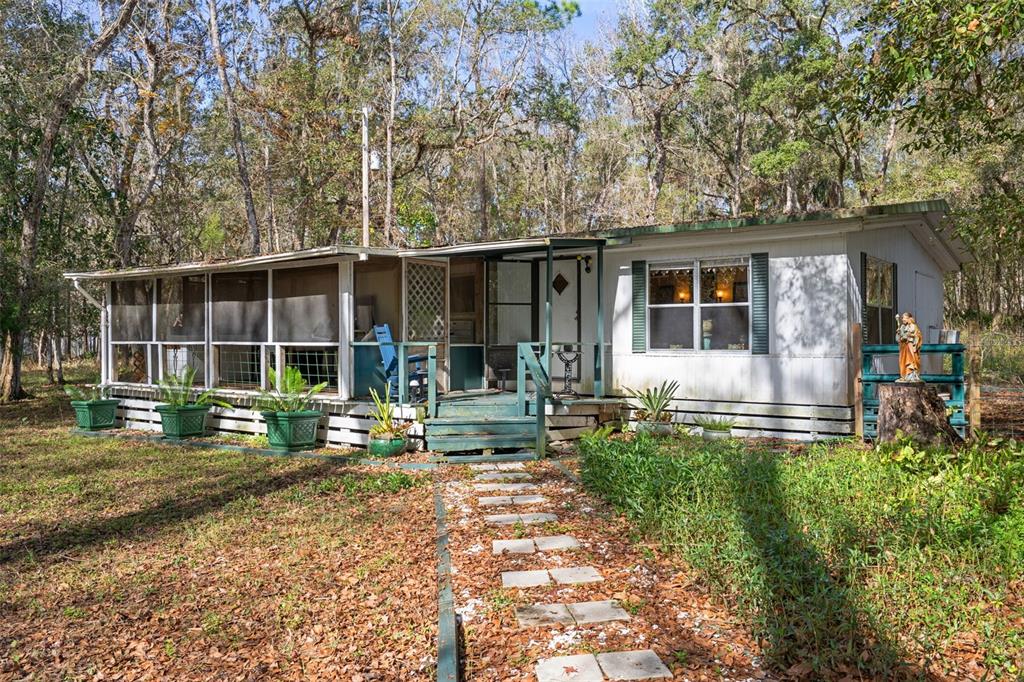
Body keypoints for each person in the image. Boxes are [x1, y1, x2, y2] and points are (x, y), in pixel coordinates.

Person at [896, 312, 923, 382]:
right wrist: (898, 334)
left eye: (904, 318)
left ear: (909, 319)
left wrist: (911, 336)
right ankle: (904, 375)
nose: (903, 319)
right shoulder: (902, 327)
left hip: (910, 346)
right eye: (902, 318)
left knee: (911, 360)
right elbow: (898, 339)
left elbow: (918, 336)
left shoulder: (913, 326)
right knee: (902, 361)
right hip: (903, 347)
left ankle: (912, 376)